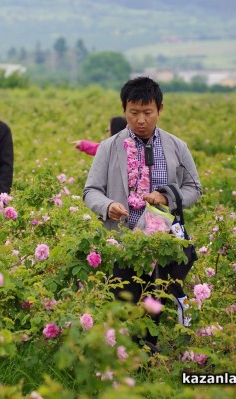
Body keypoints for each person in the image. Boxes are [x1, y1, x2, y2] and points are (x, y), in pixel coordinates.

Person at [83, 76, 202, 350]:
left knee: (155, 308)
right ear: (124, 109)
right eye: (133, 112)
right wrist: (107, 206)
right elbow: (91, 191)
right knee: (124, 305)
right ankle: (126, 362)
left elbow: (194, 188)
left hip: (163, 244)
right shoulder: (109, 147)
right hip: (125, 243)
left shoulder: (176, 146)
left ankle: (149, 361)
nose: (140, 120)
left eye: (147, 112)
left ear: (160, 109)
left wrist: (168, 196)